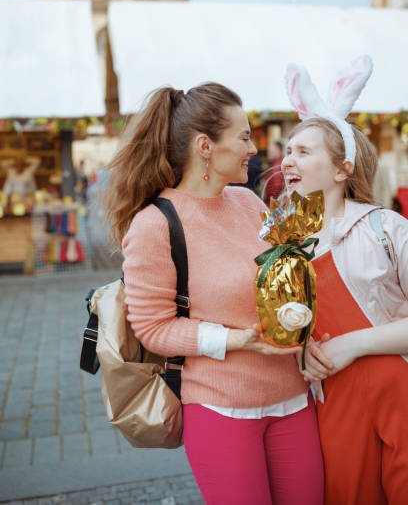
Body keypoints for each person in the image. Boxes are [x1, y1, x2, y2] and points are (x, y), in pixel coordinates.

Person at [104, 83, 324, 505]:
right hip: (220, 409)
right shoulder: (154, 224)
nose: (253, 148)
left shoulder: (248, 203)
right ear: (205, 146)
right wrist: (237, 339)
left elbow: (281, 284)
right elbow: (153, 328)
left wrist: (305, 334)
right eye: (243, 136)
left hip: (293, 400)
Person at [284, 56, 408, 504]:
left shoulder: (387, 229)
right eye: (287, 151)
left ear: (342, 170)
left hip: (401, 393)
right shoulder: (283, 245)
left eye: (303, 150)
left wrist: (350, 344)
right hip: (333, 401)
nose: (287, 160)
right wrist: (300, 350)